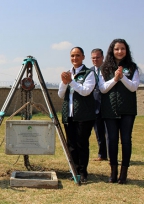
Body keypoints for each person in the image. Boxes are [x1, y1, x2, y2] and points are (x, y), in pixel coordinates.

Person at [98, 39, 139, 184]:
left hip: (128, 110)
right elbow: (102, 88)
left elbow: (134, 87)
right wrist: (115, 78)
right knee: (112, 140)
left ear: (126, 50)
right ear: (112, 50)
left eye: (122, 48)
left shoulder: (132, 67)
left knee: (126, 140)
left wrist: (123, 78)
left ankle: (123, 173)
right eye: (117, 49)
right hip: (110, 110)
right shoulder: (105, 68)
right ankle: (113, 172)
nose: (120, 51)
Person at [58, 47, 96, 183]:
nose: (75, 58)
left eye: (78, 55)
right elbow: (61, 94)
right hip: (69, 115)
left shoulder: (89, 73)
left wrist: (71, 82)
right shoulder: (68, 73)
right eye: (72, 56)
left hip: (84, 115)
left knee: (81, 144)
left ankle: (83, 172)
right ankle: (73, 170)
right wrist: (64, 82)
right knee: (71, 144)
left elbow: (86, 91)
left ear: (83, 57)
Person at [90, 48, 108, 161]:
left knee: (110, 132)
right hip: (95, 105)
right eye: (93, 58)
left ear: (102, 57)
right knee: (99, 131)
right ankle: (102, 154)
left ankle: (111, 155)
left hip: (107, 105)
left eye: (97, 57)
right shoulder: (89, 71)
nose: (95, 59)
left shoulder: (108, 70)